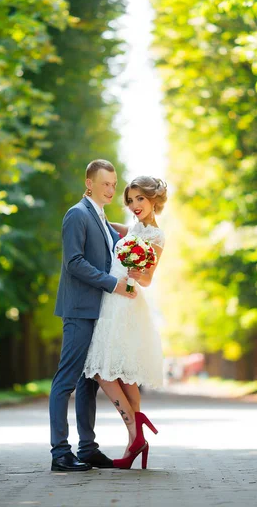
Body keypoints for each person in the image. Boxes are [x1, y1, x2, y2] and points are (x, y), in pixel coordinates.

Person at [49, 159, 137, 472]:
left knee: (89, 383)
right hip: (79, 310)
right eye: (105, 184)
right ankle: (60, 453)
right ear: (89, 183)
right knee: (67, 380)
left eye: (114, 184)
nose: (111, 189)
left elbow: (117, 248)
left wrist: (143, 237)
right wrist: (113, 284)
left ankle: (87, 448)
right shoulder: (76, 214)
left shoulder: (100, 216)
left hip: (98, 312)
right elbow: (74, 262)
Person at [83, 175, 167, 469]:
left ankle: (134, 431)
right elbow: (115, 231)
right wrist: (99, 217)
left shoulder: (156, 237)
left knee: (104, 370)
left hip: (127, 301)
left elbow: (147, 279)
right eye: (130, 200)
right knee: (120, 370)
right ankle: (136, 436)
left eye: (140, 199)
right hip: (111, 301)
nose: (134, 205)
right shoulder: (134, 228)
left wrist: (135, 269)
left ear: (154, 200)